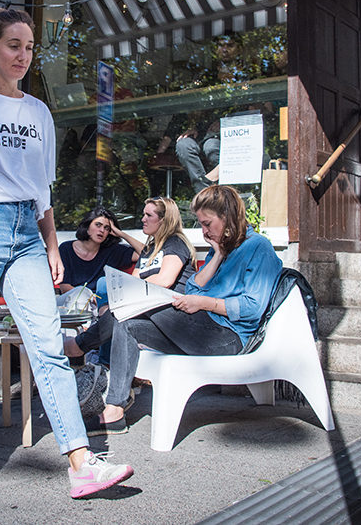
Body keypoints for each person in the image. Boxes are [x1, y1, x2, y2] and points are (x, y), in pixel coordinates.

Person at [0, 7, 135, 500]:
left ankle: (81, 462)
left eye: (29, 47)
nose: (23, 55)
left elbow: (42, 189)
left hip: (26, 232)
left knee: (48, 346)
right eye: (13, 45)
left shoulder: (39, 112)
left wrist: (51, 244)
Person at [89, 185, 283, 437]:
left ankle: (80, 346)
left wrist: (204, 303)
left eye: (207, 224)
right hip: (201, 331)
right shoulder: (221, 247)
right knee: (128, 324)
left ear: (227, 216)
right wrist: (217, 256)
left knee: (143, 302)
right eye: (201, 225)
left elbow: (252, 308)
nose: (204, 231)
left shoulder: (258, 247)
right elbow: (193, 287)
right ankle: (114, 410)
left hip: (229, 338)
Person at [64, 197, 196, 378]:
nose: (143, 219)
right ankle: (104, 367)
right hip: (149, 310)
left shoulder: (175, 242)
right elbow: (133, 280)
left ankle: (81, 348)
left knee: (118, 314)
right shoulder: (150, 250)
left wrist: (121, 234)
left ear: (164, 220)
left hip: (174, 314)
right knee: (115, 307)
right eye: (143, 214)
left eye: (148, 215)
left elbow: (165, 280)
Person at [58, 207, 137, 295]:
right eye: (98, 225)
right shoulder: (66, 249)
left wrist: (121, 234)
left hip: (101, 300)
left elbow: (145, 254)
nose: (102, 230)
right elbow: (65, 287)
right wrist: (90, 298)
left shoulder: (112, 250)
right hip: (72, 299)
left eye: (106, 228)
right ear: (87, 226)